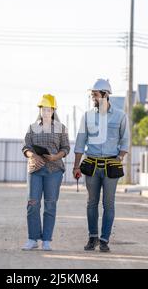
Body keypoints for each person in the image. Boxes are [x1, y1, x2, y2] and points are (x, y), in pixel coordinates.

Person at [73, 79, 129, 253]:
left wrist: (119, 158)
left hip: (111, 165)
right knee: (91, 203)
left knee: (109, 204)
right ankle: (92, 238)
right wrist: (76, 166)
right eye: (92, 95)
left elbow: (125, 140)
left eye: (95, 95)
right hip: (92, 165)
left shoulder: (120, 116)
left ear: (105, 95)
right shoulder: (87, 116)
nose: (93, 98)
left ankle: (104, 240)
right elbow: (80, 142)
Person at [21, 94, 70, 251]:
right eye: (43, 109)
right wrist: (33, 156)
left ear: (54, 110)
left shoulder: (61, 128)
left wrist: (55, 156)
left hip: (54, 170)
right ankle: (32, 239)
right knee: (32, 204)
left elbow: (66, 148)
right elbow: (25, 147)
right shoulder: (32, 127)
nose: (46, 112)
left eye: (49, 109)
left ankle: (47, 240)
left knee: (50, 204)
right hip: (35, 169)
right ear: (40, 110)